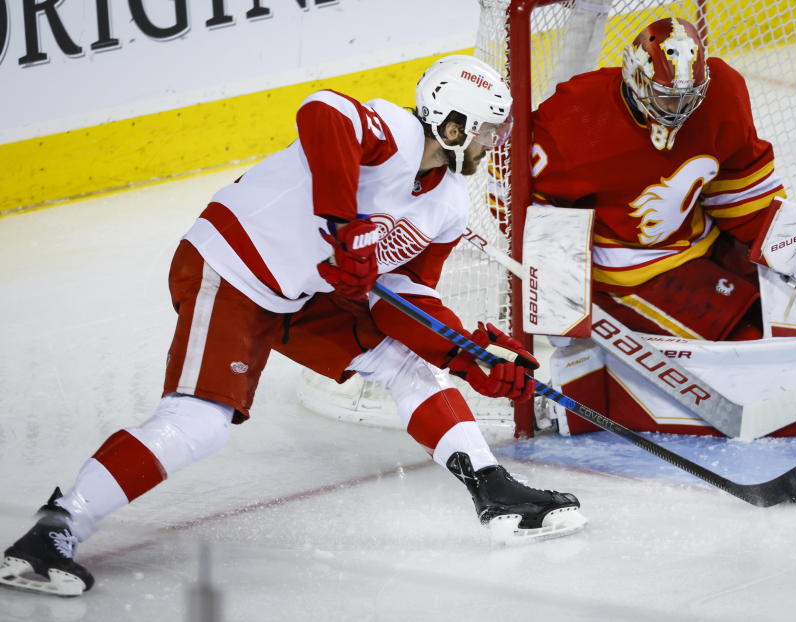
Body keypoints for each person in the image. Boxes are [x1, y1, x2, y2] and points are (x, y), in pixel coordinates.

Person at [1, 55, 585, 597]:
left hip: (304, 293)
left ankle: (492, 489)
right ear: (450, 125)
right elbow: (321, 109)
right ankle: (51, 533)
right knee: (198, 424)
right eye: (486, 131)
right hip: (231, 266)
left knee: (408, 367)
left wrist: (468, 353)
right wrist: (341, 221)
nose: (491, 145)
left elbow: (406, 296)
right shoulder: (393, 132)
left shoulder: (448, 205)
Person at [529, 17, 796, 436]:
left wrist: (787, 245)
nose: (679, 112)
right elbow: (517, 202)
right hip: (630, 275)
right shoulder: (572, 119)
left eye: (689, 97)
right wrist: (559, 295)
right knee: (757, 351)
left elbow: (740, 185)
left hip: (703, 241)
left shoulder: (723, 91)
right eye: (666, 98)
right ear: (635, 76)